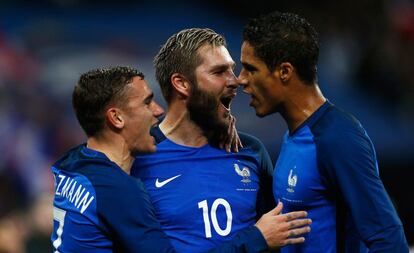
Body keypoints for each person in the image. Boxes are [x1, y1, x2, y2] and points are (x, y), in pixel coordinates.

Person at [50, 66, 308, 252]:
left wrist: (214, 122)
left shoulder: (76, 162)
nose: (158, 110)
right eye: (147, 103)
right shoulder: (119, 190)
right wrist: (258, 237)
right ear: (116, 118)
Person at [238, 11, 409, 253]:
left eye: (250, 69)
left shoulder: (338, 137)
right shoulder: (296, 136)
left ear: (284, 72)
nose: (241, 80)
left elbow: (387, 238)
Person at [131, 28, 311, 253]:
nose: (235, 81)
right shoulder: (137, 160)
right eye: (219, 72)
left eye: (232, 70)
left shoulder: (250, 151)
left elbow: (275, 237)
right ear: (181, 83)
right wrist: (254, 239)